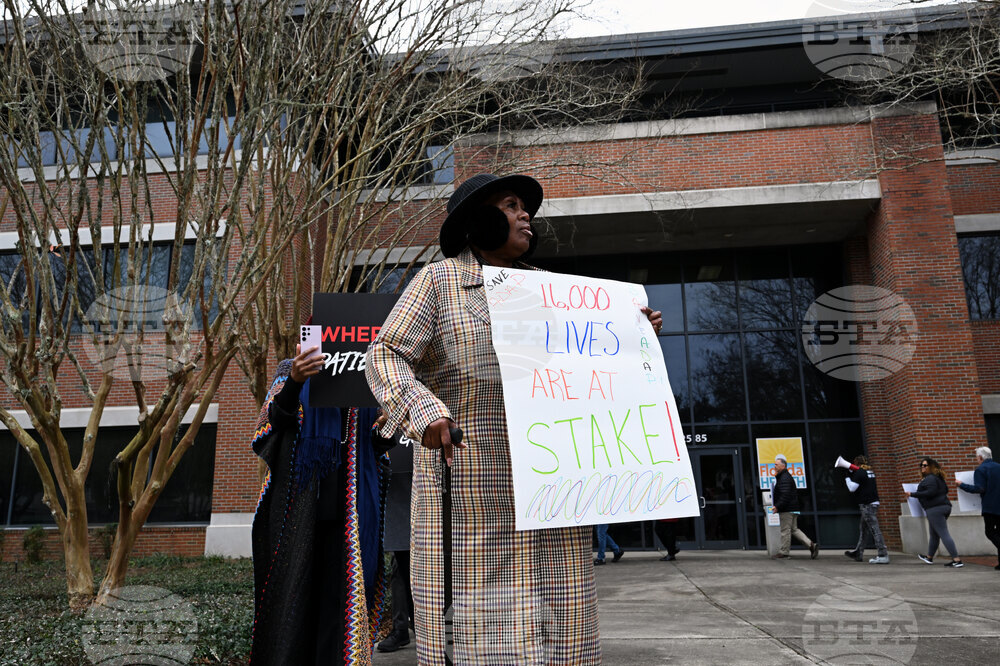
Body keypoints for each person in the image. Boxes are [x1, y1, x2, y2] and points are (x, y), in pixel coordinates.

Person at [366, 172, 663, 665]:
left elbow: (594, 381)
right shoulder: (439, 283)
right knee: (483, 638)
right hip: (471, 494)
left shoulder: (552, 292)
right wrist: (424, 413)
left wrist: (632, 337)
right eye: (510, 205)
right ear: (477, 221)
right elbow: (385, 356)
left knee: (559, 633)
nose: (526, 214)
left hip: (553, 497)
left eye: (527, 207)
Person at [250, 346, 393, 665]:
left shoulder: (367, 379)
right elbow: (269, 427)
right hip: (299, 513)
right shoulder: (292, 369)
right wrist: (297, 381)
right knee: (294, 609)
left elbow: (379, 448)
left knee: (340, 615)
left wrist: (387, 424)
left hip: (353, 519)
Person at [378, 432, 416, 652]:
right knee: (399, 567)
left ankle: (421, 626)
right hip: (398, 493)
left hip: (427, 491)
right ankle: (401, 628)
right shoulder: (387, 420)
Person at [906, 457, 963, 568]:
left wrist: (912, 494)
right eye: (921, 465)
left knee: (943, 533)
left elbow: (930, 492)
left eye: (925, 465)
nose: (922, 467)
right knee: (934, 534)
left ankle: (957, 559)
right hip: (943, 507)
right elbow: (945, 490)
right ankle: (929, 557)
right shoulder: (938, 478)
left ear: (931, 467)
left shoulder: (930, 478)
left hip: (935, 509)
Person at [955, 446, 1000, 570]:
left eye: (976, 457)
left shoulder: (981, 469)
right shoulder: (998, 467)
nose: (976, 459)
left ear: (980, 457)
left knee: (990, 532)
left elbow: (979, 489)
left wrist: (961, 485)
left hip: (990, 506)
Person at [841, 455, 889, 564]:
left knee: (874, 529)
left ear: (856, 463)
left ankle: (883, 554)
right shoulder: (869, 472)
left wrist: (847, 477)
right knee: (864, 529)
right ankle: (859, 552)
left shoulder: (860, 473)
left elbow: (852, 488)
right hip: (873, 503)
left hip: (867, 505)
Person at [771, 454, 819, 560]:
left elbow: (785, 495)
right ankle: (811, 545)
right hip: (792, 508)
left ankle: (784, 553)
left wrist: (777, 506)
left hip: (787, 509)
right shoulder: (785, 476)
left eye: (776, 464)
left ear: (783, 466)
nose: (774, 466)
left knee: (785, 530)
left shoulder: (784, 478)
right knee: (794, 529)